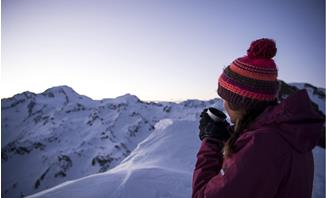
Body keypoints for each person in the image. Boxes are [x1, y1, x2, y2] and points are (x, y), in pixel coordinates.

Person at [192, 38, 324, 198]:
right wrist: (231, 137)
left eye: (224, 98)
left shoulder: (260, 147)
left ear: (238, 103)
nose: (224, 105)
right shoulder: (287, 132)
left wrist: (210, 142)